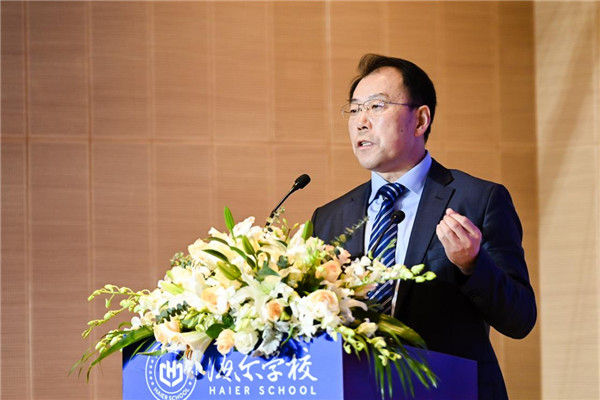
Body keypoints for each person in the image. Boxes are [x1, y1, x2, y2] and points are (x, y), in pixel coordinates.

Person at [311, 54, 537, 399]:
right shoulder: (329, 218)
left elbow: (520, 318)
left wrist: (472, 265)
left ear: (420, 120)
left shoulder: (478, 199)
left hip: (449, 391)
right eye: (354, 110)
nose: (360, 122)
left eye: (376, 106)